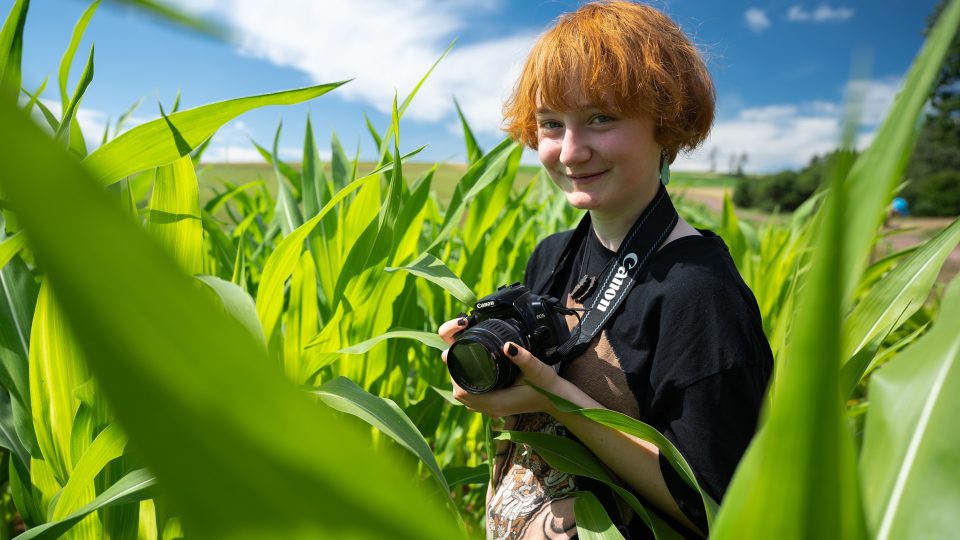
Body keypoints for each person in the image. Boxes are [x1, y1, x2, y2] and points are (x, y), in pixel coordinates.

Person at [438, 2, 773, 538]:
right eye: (551, 124)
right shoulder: (553, 254)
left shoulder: (700, 295)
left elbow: (713, 504)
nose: (570, 152)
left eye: (601, 118)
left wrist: (554, 397)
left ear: (665, 123)